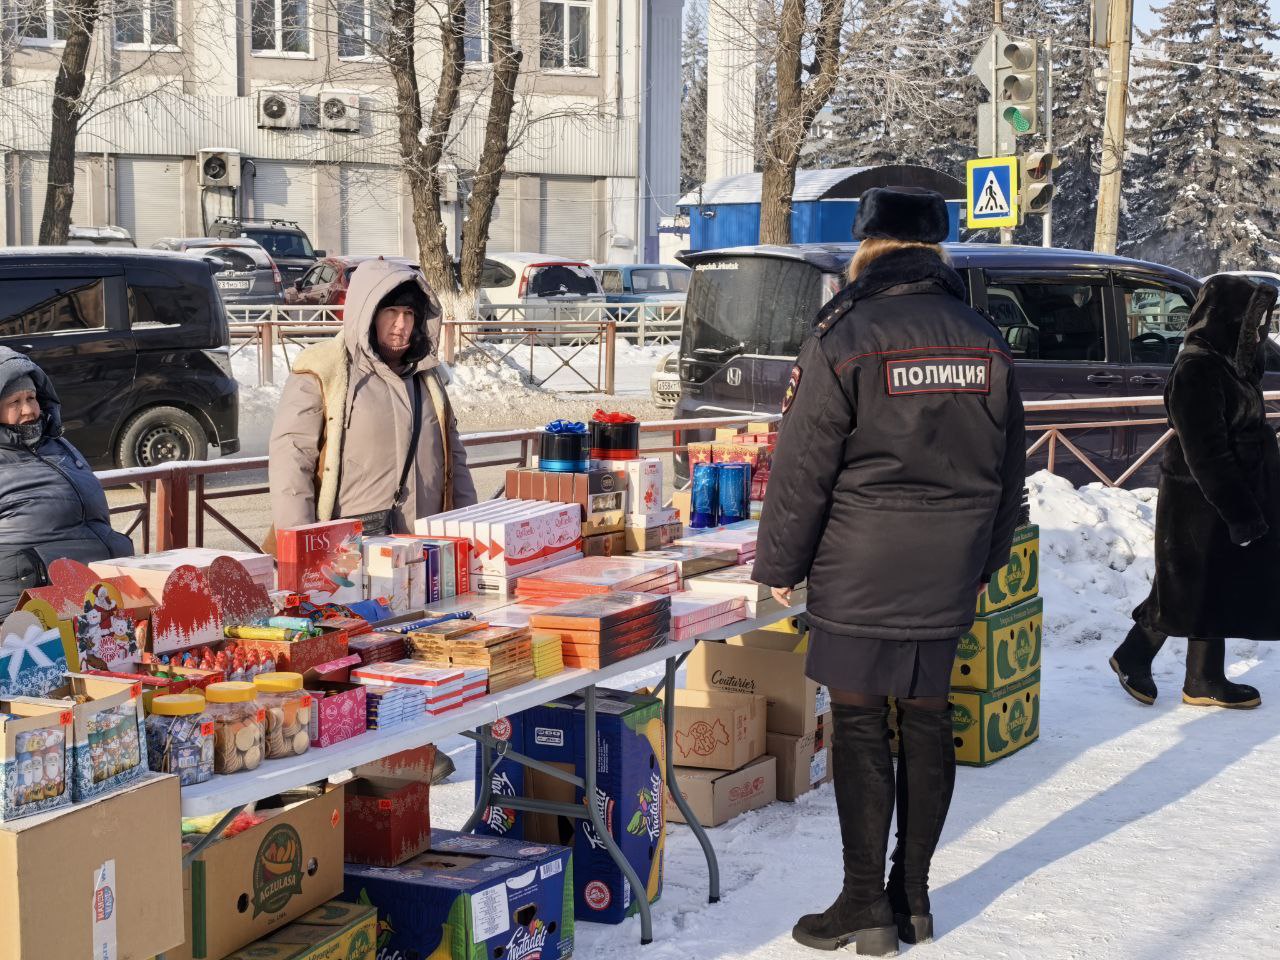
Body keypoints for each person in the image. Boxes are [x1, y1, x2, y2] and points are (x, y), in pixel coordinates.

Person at [752, 187, 1026, 955]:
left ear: (867, 248)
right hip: (950, 560)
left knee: (862, 722)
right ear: (935, 251)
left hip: (861, 557)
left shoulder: (846, 333)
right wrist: (987, 560)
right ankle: (914, 897)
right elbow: (1011, 469)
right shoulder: (984, 335)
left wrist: (781, 561)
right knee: (930, 719)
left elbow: (804, 464)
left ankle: (863, 903)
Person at [1111, 274, 1280, 709]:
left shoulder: (1230, 365)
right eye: (1251, 322)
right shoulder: (1198, 368)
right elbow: (1206, 452)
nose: (1258, 332)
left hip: (1229, 494)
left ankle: (1203, 679)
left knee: (1210, 584)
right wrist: (1241, 513)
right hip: (1199, 500)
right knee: (1184, 585)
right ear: (1227, 319)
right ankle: (1133, 654)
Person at [269, 258, 478, 540]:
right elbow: (292, 462)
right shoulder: (324, 371)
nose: (401, 324)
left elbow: (454, 460)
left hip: (428, 547)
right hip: (351, 550)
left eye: (409, 313)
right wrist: (299, 545)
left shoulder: (427, 376)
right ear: (367, 313)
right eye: (390, 311)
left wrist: (471, 533)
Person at [0, 347, 133, 616]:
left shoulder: (57, 444)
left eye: (32, 398)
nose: (28, 410)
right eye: (14, 402)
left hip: (97, 596)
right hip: (33, 609)